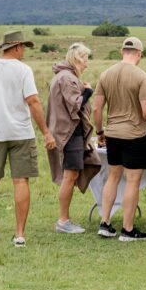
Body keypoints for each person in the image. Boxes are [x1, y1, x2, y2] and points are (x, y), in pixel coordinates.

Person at [0, 29, 56, 247]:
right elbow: (33, 101)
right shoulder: (23, 70)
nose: (24, 52)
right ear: (17, 47)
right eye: (24, 48)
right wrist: (46, 132)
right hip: (21, 132)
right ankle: (19, 234)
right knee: (21, 180)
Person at [92, 36, 146, 241]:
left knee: (113, 177)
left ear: (122, 51)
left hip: (112, 134)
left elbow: (96, 108)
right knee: (133, 181)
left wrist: (100, 132)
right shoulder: (142, 76)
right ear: (140, 54)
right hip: (135, 134)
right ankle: (128, 229)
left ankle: (105, 222)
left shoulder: (106, 74)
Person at [46, 43, 101, 234]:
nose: (87, 64)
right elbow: (76, 105)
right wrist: (87, 92)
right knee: (70, 176)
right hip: (69, 134)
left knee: (72, 175)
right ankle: (63, 220)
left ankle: (64, 219)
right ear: (77, 58)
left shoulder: (62, 76)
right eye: (85, 59)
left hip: (65, 132)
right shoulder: (68, 78)